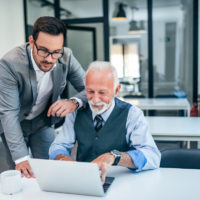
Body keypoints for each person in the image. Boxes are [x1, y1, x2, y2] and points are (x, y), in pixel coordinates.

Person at [0, 16, 86, 178]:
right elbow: (9, 113)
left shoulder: (66, 56)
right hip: (14, 123)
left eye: (55, 52)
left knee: (47, 169)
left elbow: (88, 88)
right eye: (44, 50)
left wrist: (74, 102)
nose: (49, 59)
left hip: (43, 121)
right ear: (31, 41)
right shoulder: (9, 64)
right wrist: (22, 159)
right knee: (21, 172)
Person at [49, 61, 161, 183]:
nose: (95, 100)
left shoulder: (132, 114)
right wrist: (63, 159)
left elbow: (152, 156)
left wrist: (115, 157)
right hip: (84, 181)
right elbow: (58, 145)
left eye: (102, 93)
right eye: (90, 92)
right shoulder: (76, 112)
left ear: (116, 90)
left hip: (122, 182)